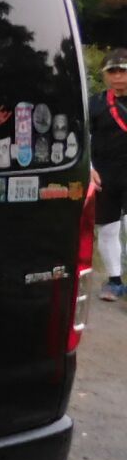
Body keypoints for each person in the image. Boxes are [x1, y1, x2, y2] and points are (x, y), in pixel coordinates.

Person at [89, 48, 127, 299]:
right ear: (104, 75)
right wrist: (90, 169)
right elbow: (84, 136)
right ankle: (114, 281)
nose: (118, 77)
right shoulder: (95, 103)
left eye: (123, 71)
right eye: (112, 72)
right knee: (108, 229)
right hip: (104, 175)